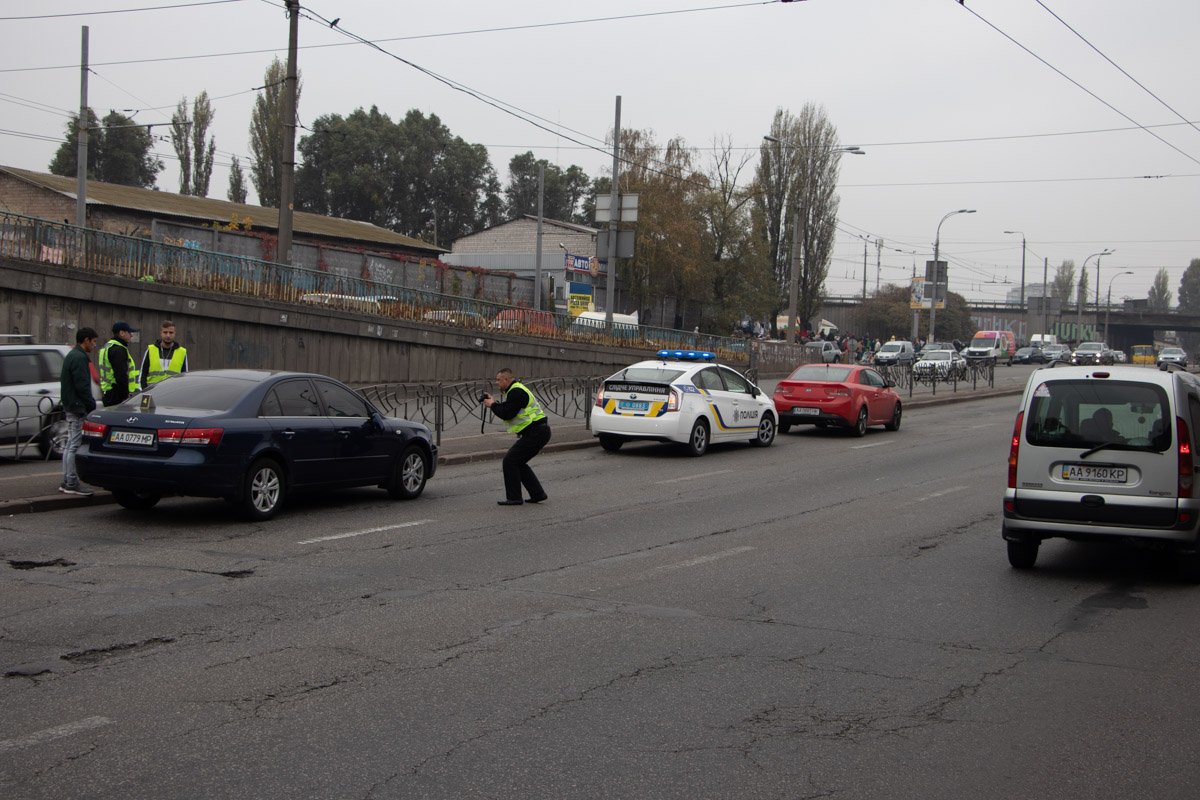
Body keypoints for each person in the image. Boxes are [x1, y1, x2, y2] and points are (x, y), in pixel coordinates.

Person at [482, 368, 551, 506]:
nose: (497, 383)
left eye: (499, 380)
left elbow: (507, 413)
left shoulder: (516, 392)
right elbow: (509, 408)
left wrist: (493, 405)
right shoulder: (515, 390)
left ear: (506, 380)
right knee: (518, 462)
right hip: (537, 432)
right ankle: (538, 494)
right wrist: (494, 403)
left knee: (510, 461)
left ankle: (514, 498)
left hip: (536, 433)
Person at [59, 327, 98, 496]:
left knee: (69, 444)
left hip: (70, 404)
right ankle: (71, 482)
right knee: (74, 444)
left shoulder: (72, 355)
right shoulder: (79, 358)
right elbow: (82, 386)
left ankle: (67, 480)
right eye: (94, 342)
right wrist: (90, 405)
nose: (94, 345)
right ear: (86, 340)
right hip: (77, 406)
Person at [98, 321, 140, 407]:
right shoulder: (118, 350)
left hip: (108, 393)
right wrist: (125, 395)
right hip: (117, 395)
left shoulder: (108, 346)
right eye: (129, 332)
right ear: (122, 333)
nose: (131, 335)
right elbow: (121, 375)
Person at [139, 319, 189, 388]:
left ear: (175, 333)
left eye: (171, 332)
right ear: (161, 333)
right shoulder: (150, 350)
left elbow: (184, 377)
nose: (168, 335)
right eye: (165, 332)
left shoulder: (182, 352)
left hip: (172, 393)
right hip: (153, 393)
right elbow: (143, 374)